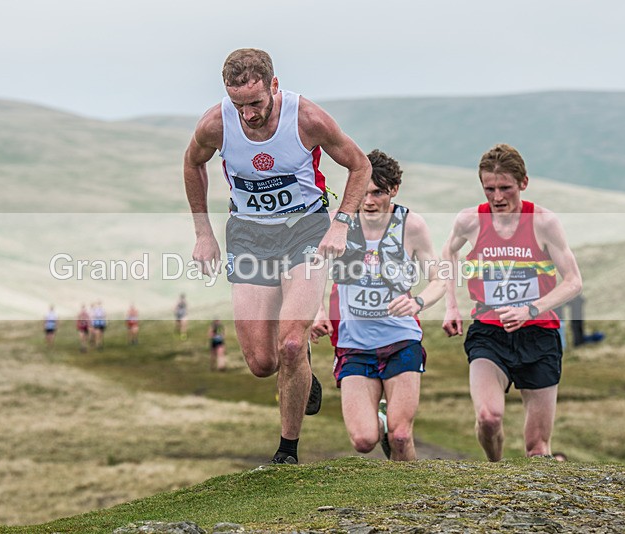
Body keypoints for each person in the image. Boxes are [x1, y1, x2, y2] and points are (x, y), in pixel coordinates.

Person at [183, 48, 371, 464]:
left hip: (304, 230)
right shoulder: (216, 124)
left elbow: (360, 165)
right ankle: (300, 359)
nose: (248, 114)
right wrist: (203, 232)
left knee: (287, 342)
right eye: (238, 105)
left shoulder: (307, 119)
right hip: (249, 236)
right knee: (262, 362)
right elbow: (193, 163)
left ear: (273, 85)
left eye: (255, 103)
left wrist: (342, 222)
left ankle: (287, 451)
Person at [442, 143, 583, 461]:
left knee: (537, 448)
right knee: (489, 418)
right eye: (489, 189)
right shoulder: (470, 221)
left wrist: (530, 309)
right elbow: (448, 252)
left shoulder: (544, 223)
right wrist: (451, 305)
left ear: (523, 183)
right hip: (489, 335)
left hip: (539, 335)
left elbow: (573, 281)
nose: (497, 197)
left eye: (505, 188)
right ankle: (496, 468)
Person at [311, 150, 445, 461]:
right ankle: (379, 421)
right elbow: (313, 271)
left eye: (378, 193)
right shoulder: (337, 225)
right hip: (354, 344)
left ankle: (412, 499)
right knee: (363, 440)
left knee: (401, 436)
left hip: (401, 339)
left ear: (394, 190)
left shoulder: (411, 225)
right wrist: (317, 311)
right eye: (364, 192)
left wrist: (418, 302)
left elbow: (439, 278)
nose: (369, 201)